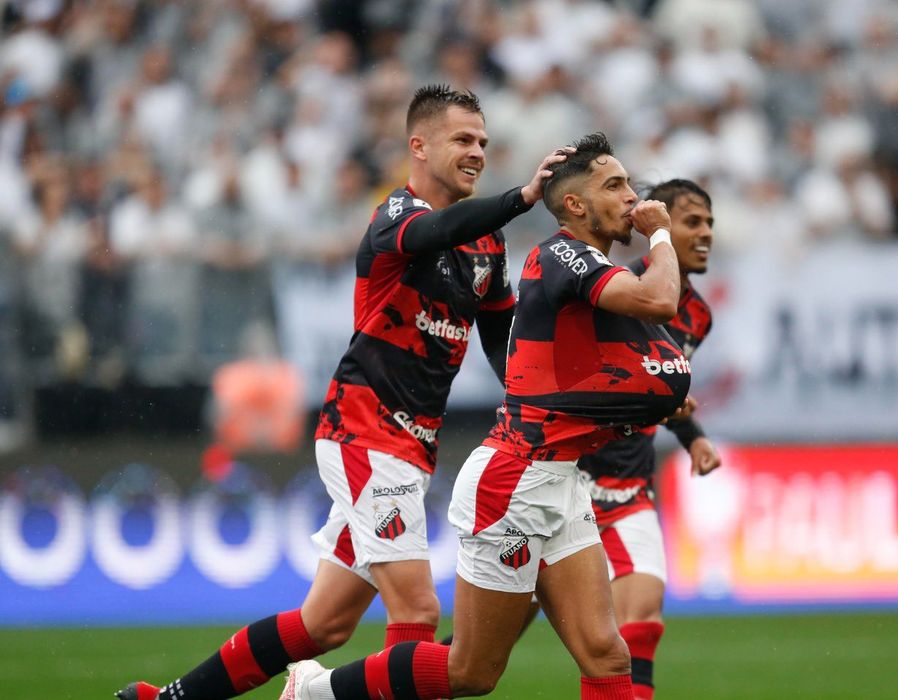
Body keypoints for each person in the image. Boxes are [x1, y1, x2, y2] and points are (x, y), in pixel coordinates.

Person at [116, 85, 568, 700]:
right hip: (366, 430)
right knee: (415, 604)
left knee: (322, 624)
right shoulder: (396, 217)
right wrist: (520, 199)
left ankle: (172, 699)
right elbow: (438, 228)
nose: (477, 152)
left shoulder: (486, 246)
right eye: (463, 140)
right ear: (419, 145)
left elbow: (501, 341)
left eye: (483, 142)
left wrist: (542, 404)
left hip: (412, 446)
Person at [281, 132, 693, 700]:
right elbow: (659, 301)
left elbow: (637, 358)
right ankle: (316, 691)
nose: (631, 197)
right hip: (514, 483)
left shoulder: (593, 271)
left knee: (606, 653)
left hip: (562, 479)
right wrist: (663, 233)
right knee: (471, 672)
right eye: (614, 185)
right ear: (574, 204)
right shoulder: (563, 252)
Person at [577, 177, 721, 700]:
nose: (705, 233)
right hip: (566, 481)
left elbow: (667, 382)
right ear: (657, 228)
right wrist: (652, 397)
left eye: (709, 223)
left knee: (640, 626)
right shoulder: (615, 287)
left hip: (629, 487)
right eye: (691, 222)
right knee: (475, 661)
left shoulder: (698, 314)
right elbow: (583, 379)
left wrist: (692, 437)